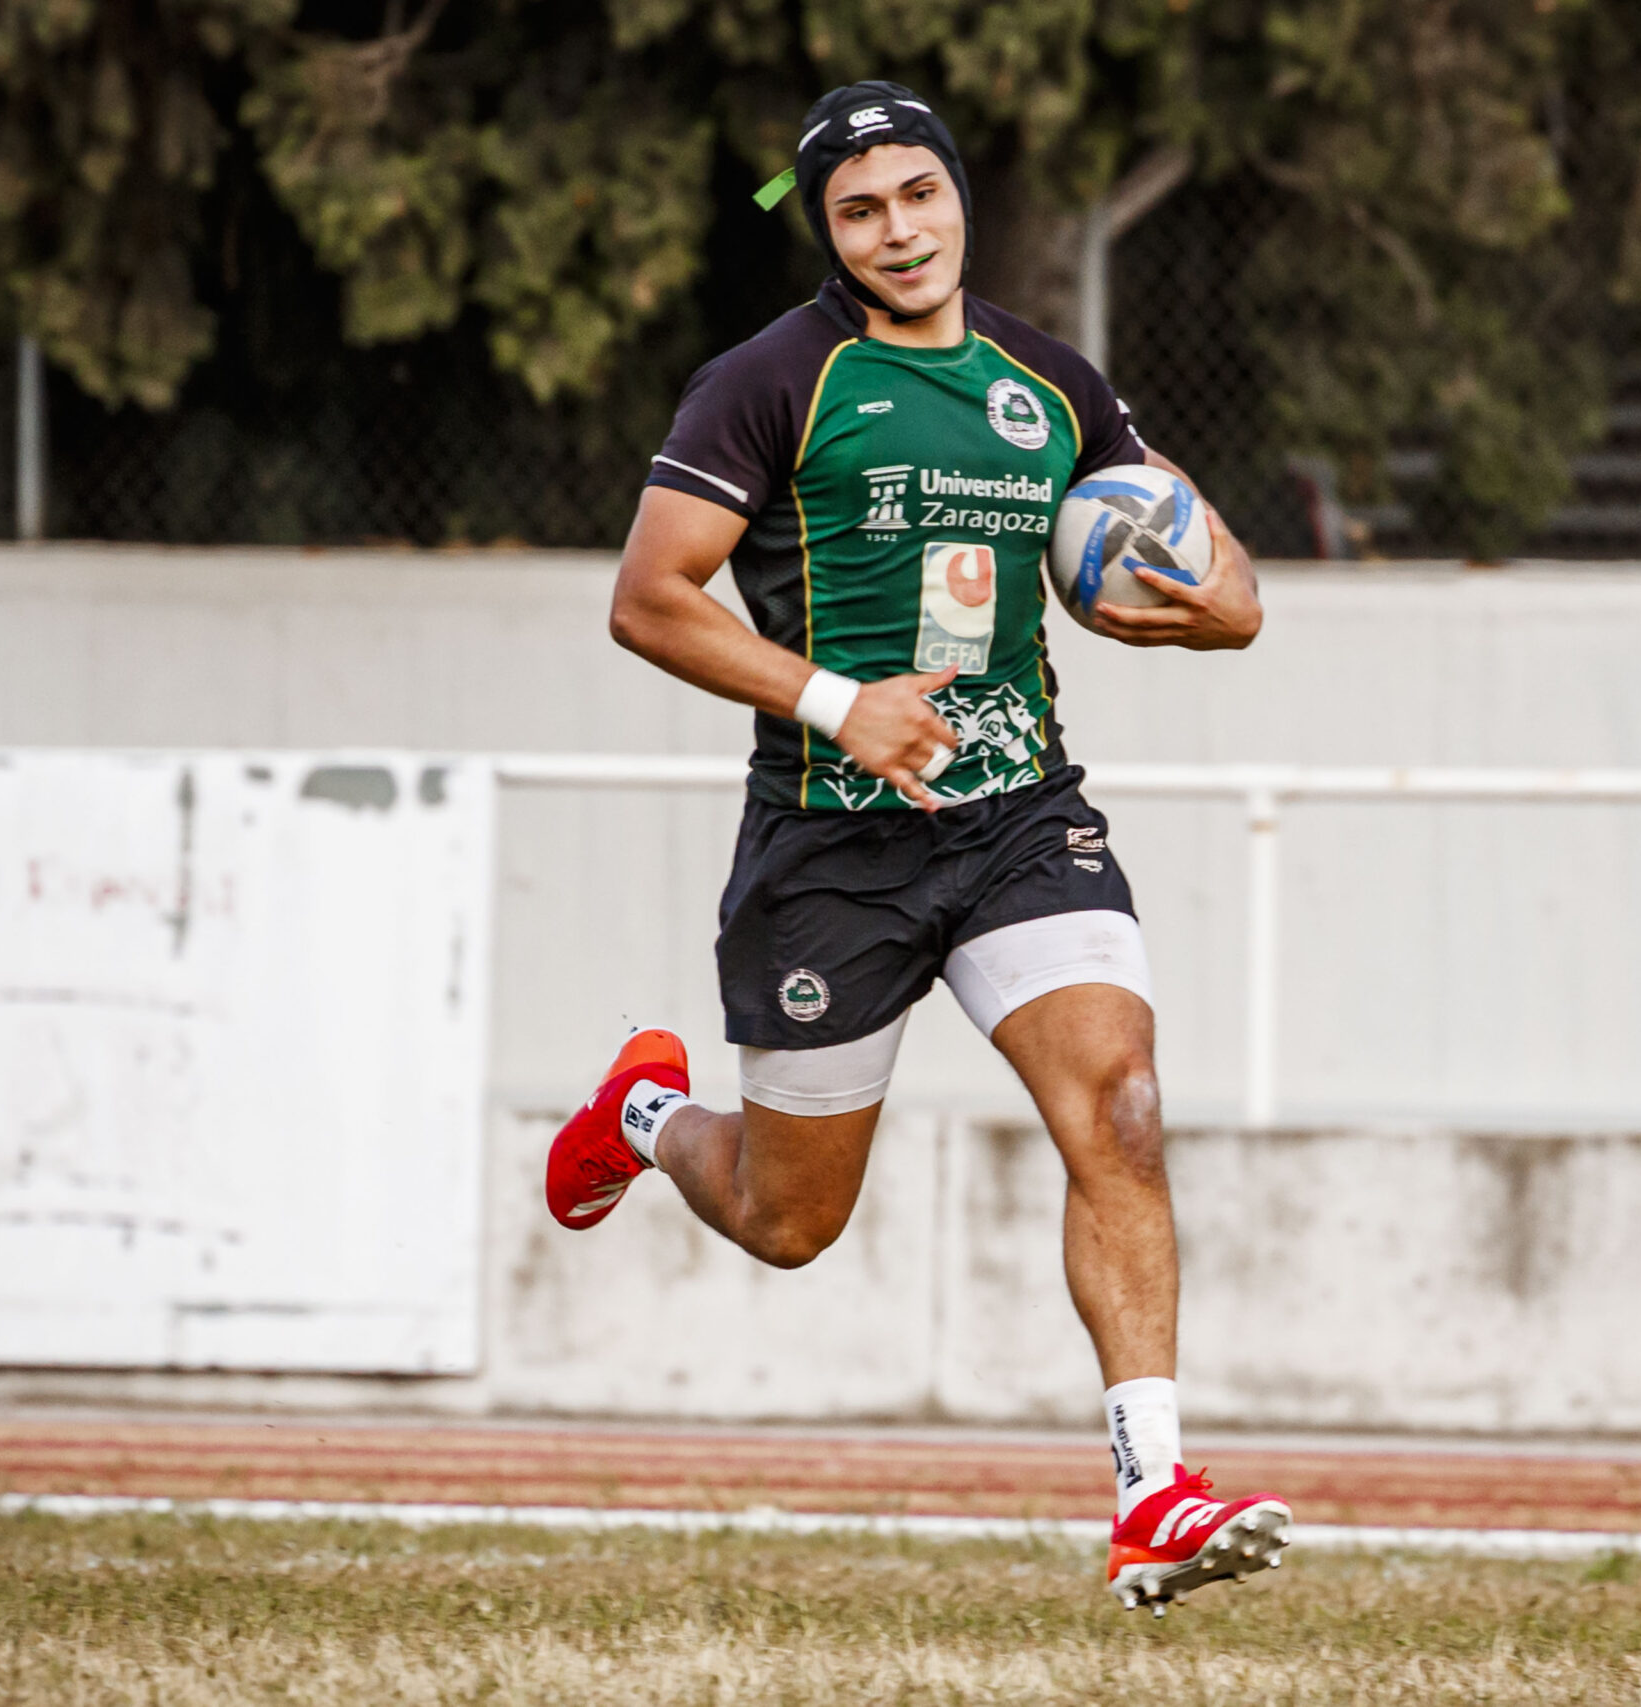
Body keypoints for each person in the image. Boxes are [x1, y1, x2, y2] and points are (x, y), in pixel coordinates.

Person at [542, 80, 1288, 1614]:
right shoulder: (769, 383)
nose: (900, 231)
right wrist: (841, 704)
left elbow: (1218, 574)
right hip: (830, 846)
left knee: (1123, 1107)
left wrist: (1218, 599)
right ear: (827, 230)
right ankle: (644, 1115)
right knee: (789, 1221)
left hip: (1020, 823)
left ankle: (1153, 1495)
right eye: (861, 209)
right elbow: (648, 598)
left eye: (920, 194)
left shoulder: (1050, 383)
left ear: (959, 196)